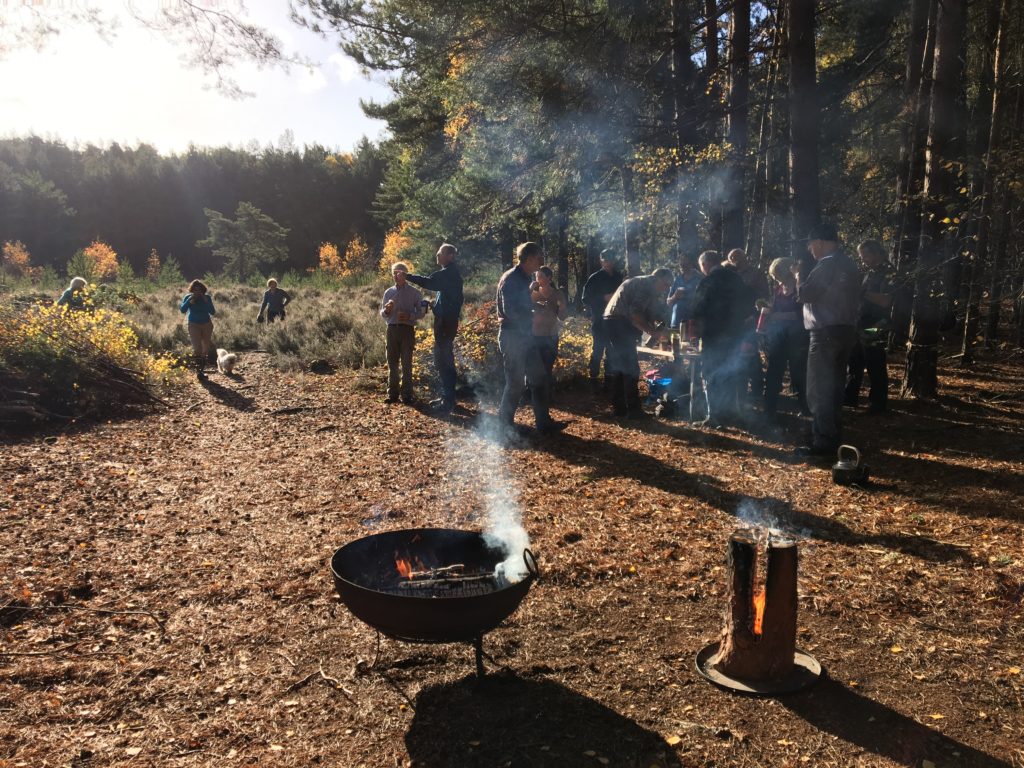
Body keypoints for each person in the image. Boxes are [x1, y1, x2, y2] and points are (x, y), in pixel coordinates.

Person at [793, 223, 862, 458]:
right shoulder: (848, 264)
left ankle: (822, 443)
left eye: (810, 244)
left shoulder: (827, 264)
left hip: (824, 334)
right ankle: (831, 438)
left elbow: (806, 294)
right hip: (845, 331)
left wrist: (798, 277)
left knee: (819, 389)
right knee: (833, 388)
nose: (810, 249)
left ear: (820, 242)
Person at [496, 242, 565, 436]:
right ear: (530, 258)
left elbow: (522, 306)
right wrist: (532, 314)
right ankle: (504, 425)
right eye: (539, 257)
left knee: (540, 378)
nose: (541, 261)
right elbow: (510, 311)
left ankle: (543, 423)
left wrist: (533, 309)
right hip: (512, 337)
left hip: (526, 337)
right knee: (516, 382)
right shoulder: (511, 279)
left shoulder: (524, 278)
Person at [603, 267, 674, 419]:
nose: (666, 288)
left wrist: (659, 324)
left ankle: (620, 410)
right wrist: (653, 332)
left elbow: (647, 312)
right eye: (666, 284)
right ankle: (633, 411)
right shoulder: (645, 285)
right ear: (657, 278)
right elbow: (635, 314)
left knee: (621, 367)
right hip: (618, 322)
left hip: (614, 321)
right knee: (630, 368)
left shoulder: (646, 285)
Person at [692, 251, 754, 426]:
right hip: (734, 334)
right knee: (729, 373)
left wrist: (698, 330)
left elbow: (698, 309)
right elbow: (748, 303)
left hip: (713, 335)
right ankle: (728, 413)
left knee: (711, 374)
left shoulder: (708, 281)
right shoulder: (736, 278)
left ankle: (714, 416)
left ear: (705, 264)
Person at [406, 243, 464, 413]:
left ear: (450, 256)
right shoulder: (450, 274)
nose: (437, 256)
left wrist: (407, 276)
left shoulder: (448, 274)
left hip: (445, 323)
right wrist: (434, 304)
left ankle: (448, 401)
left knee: (443, 360)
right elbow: (446, 297)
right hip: (446, 321)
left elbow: (428, 282)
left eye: (440, 253)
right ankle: (448, 397)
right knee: (444, 359)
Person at [845, 239, 894, 414]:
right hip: (860, 322)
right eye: (861, 255)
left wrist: (861, 292)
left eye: (865, 254)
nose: (862, 258)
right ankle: (850, 397)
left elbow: (886, 300)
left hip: (877, 324)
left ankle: (877, 403)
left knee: (875, 362)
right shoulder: (868, 273)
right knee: (854, 361)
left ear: (877, 253)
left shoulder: (888, 272)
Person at [761, 257, 809, 417]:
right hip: (779, 337)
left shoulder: (798, 288)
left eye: (776, 274)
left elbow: (802, 313)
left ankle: (805, 407)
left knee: (799, 373)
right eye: (773, 275)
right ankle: (769, 408)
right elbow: (774, 309)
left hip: (797, 336)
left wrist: (779, 316)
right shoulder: (778, 289)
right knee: (774, 371)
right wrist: (767, 309)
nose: (775, 278)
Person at [723, 248, 767, 403]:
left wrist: (753, 316)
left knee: (752, 355)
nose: (735, 260)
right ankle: (736, 389)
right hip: (733, 321)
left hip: (749, 320)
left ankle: (756, 389)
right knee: (735, 354)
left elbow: (762, 298)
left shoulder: (756, 274)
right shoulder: (728, 272)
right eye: (732, 258)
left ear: (745, 258)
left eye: (737, 258)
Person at [380, 262, 425, 404]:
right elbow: (383, 313)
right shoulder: (388, 292)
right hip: (392, 329)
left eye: (399, 273)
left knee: (407, 364)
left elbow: (422, 313)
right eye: (394, 273)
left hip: (407, 331)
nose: (396, 275)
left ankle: (407, 395)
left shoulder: (415, 292)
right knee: (392, 364)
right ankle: (393, 394)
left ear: (405, 274)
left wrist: (410, 316)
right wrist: (387, 311)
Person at [581, 249, 624, 391]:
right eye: (605, 260)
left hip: (616, 321)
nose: (608, 263)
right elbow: (585, 298)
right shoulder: (595, 278)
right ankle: (593, 380)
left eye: (610, 260)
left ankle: (609, 381)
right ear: (601, 261)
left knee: (612, 352)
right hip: (599, 320)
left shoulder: (618, 277)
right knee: (598, 350)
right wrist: (603, 297)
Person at [531, 265, 569, 410]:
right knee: (535, 369)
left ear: (549, 278)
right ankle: (535, 398)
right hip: (534, 335)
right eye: (536, 277)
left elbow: (563, 317)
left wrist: (562, 308)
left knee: (547, 368)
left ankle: (547, 398)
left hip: (551, 336)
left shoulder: (557, 293)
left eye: (540, 277)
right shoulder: (533, 293)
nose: (538, 279)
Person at [179, 279, 216, 381]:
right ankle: (198, 371)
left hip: (207, 325)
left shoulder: (207, 298)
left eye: (199, 290)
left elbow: (212, 312)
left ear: (202, 290)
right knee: (197, 348)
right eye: (195, 290)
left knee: (205, 349)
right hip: (193, 325)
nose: (197, 292)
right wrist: (189, 302)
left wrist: (205, 301)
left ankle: (201, 372)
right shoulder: (188, 297)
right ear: (192, 290)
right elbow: (182, 310)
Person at [666, 254, 703, 333]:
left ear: (691, 264)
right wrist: (675, 296)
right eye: (681, 265)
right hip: (676, 322)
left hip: (693, 323)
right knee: (675, 343)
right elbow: (668, 302)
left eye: (684, 264)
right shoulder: (677, 279)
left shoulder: (700, 279)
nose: (682, 267)